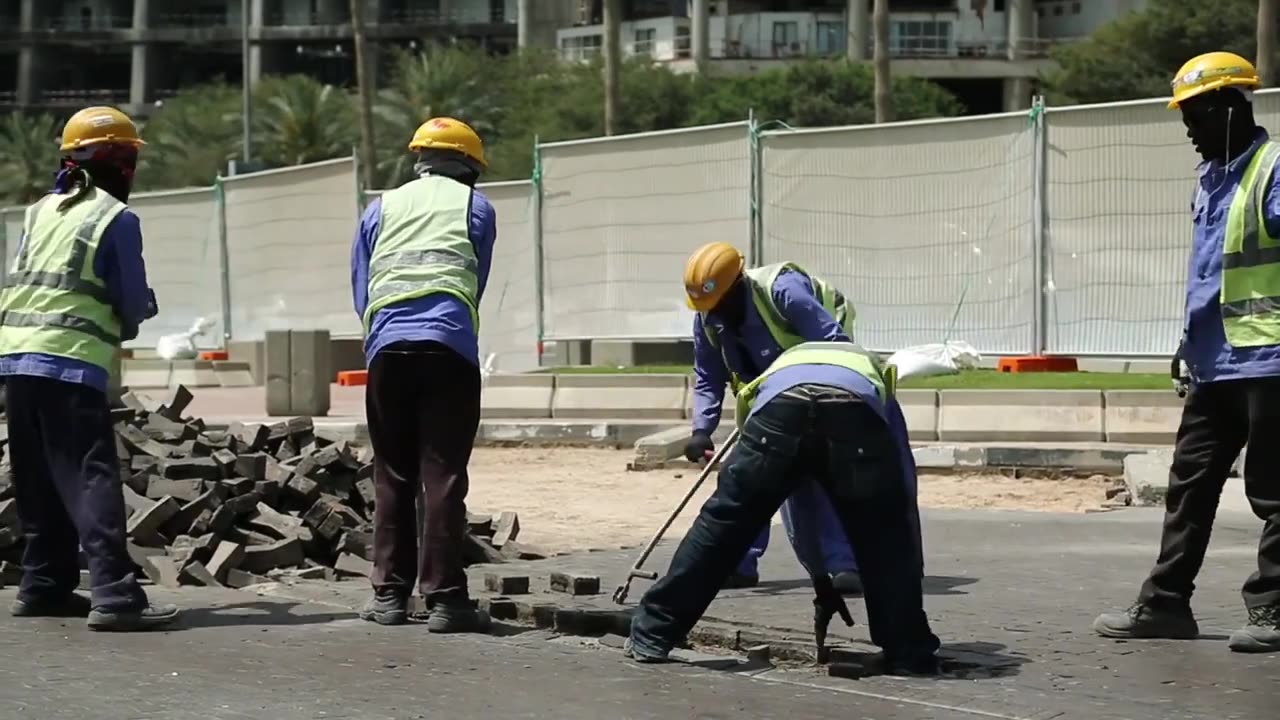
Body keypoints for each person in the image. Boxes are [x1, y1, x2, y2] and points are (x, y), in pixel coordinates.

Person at [1093, 51, 1280, 654]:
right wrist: (1189, 343)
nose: (1189, 132)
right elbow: (1211, 275)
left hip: (1272, 361)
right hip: (1214, 362)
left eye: (1195, 117)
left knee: (1274, 493)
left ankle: (1273, 609)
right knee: (1189, 487)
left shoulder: (1274, 169)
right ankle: (1165, 604)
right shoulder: (1209, 179)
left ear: (1230, 107)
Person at [627, 340, 940, 672]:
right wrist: (833, 574)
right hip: (852, 410)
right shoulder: (874, 378)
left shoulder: (772, 377)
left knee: (723, 523)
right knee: (883, 531)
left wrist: (820, 577)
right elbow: (896, 494)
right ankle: (907, 650)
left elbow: (796, 501)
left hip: (780, 410)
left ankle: (653, 632)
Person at [0, 106, 177, 631]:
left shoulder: (39, 210)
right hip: (70, 362)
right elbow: (127, 297)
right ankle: (116, 594)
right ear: (117, 162)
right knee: (89, 475)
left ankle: (44, 584)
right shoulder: (115, 218)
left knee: (38, 478)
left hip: (15, 357)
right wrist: (140, 309)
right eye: (128, 159)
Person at [351, 117, 496, 632]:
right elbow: (473, 278)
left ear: (419, 161)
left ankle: (389, 597)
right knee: (444, 476)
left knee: (392, 473)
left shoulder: (379, 208)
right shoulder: (476, 209)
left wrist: (386, 333)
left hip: (387, 350)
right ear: (471, 169)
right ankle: (445, 601)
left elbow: (361, 287)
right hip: (449, 348)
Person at [684, 241, 867, 593]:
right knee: (743, 475)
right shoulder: (708, 318)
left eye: (718, 303)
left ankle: (845, 565)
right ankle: (737, 565)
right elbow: (709, 375)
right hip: (765, 400)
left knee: (820, 473)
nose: (713, 313)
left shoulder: (783, 291)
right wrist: (701, 429)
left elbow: (834, 343)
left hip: (818, 384)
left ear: (736, 285)